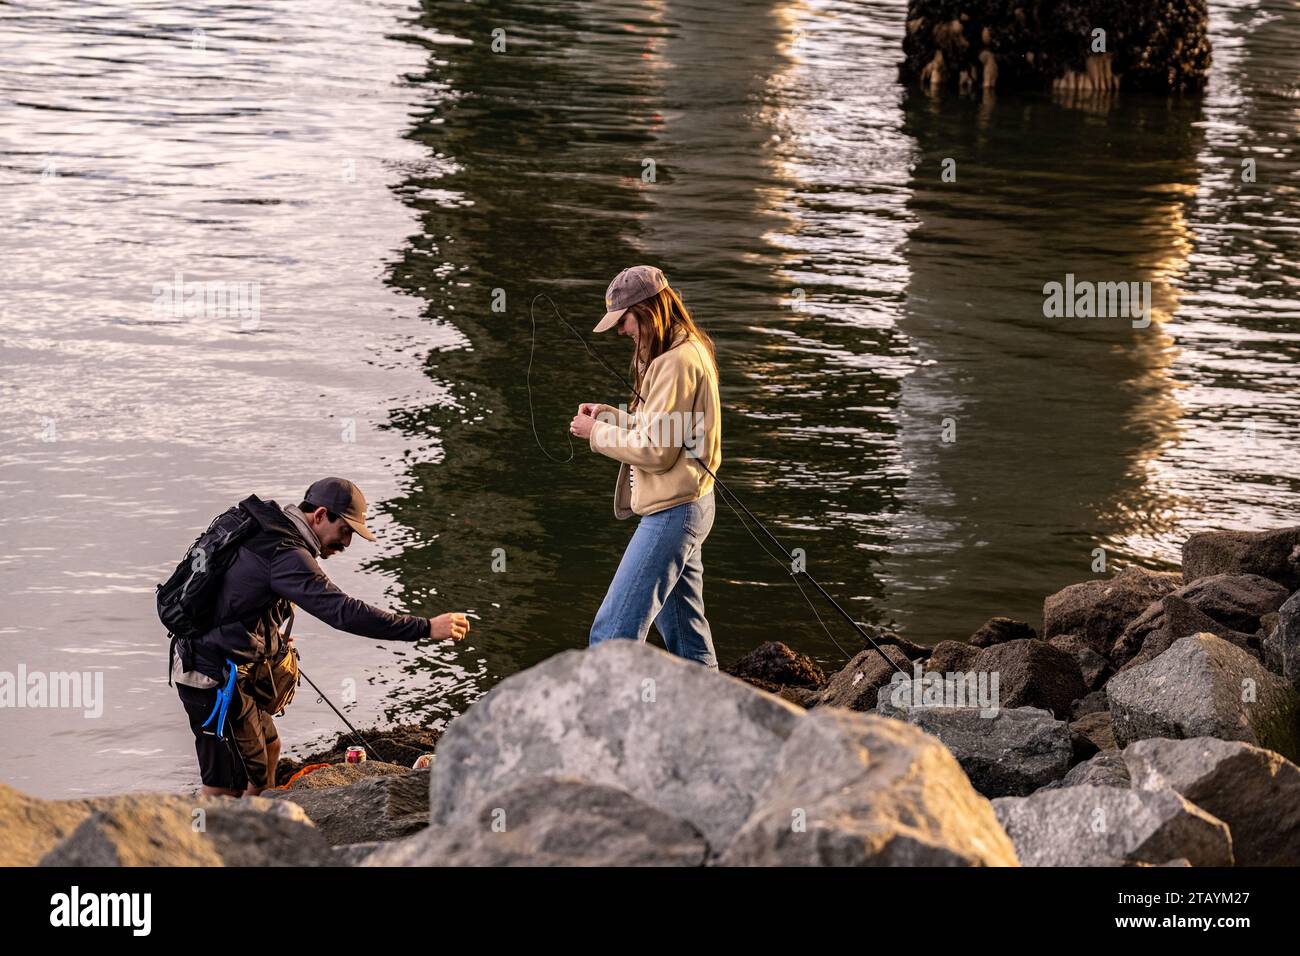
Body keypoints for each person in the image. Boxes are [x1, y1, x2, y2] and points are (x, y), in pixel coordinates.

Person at [172, 477, 469, 797]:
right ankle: (208, 840)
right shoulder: (286, 553)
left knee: (270, 747)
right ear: (321, 514)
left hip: (228, 663)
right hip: (210, 675)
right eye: (345, 531)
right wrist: (425, 627)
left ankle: (264, 817)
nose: (346, 543)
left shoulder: (269, 529)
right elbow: (343, 612)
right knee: (223, 784)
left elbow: (237, 596)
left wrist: (269, 639)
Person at [570, 265, 723, 668]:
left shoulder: (674, 362)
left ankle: (606, 728)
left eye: (624, 321)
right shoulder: (685, 348)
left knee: (611, 635)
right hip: (691, 503)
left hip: (672, 514)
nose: (621, 331)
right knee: (687, 639)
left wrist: (594, 434)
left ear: (647, 311)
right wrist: (608, 416)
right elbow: (664, 430)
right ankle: (714, 723)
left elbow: (656, 451)